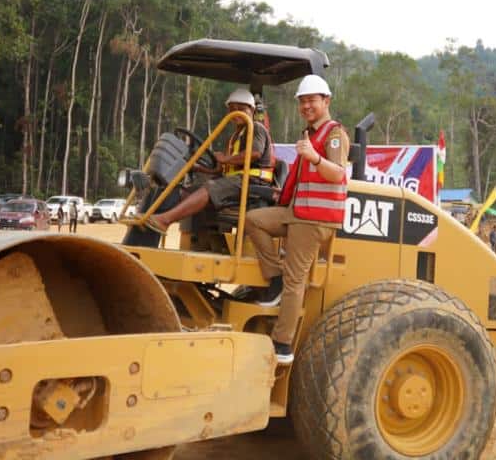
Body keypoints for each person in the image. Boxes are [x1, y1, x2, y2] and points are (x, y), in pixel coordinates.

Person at [244, 74, 349, 365]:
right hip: (298, 213)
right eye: (302, 102)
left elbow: (337, 173)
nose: (306, 106)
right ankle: (273, 276)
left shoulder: (334, 134)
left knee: (295, 281)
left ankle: (282, 344)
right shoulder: (309, 135)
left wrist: (314, 157)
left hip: (314, 220)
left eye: (311, 100)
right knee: (254, 220)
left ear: (326, 101)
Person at [143, 89, 274, 234]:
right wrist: (197, 167)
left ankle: (164, 221)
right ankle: (155, 221)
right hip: (236, 180)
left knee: (210, 187)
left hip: (253, 182)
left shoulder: (256, 128)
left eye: (241, 109)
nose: (236, 113)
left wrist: (225, 158)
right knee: (186, 191)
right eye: (232, 110)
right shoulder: (235, 136)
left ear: (252, 109)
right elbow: (221, 168)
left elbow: (255, 153)